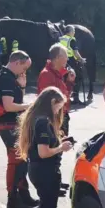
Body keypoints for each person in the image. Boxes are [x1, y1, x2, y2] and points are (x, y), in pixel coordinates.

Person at [16, 87, 74, 208]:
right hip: (45, 170)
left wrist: (60, 143)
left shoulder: (37, 118)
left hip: (40, 170)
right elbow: (43, 152)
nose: (59, 111)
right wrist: (61, 148)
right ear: (51, 103)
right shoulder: (42, 122)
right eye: (58, 107)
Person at [0, 50, 37, 208]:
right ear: (17, 62)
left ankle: (23, 195)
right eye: (24, 68)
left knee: (22, 160)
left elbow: (17, 100)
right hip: (8, 125)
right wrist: (30, 106)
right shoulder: (5, 78)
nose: (24, 72)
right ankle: (13, 200)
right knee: (17, 161)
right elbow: (9, 106)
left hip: (13, 123)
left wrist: (23, 86)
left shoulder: (11, 77)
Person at [37, 43, 75, 195]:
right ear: (58, 58)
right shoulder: (47, 75)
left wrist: (70, 82)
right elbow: (47, 100)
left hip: (61, 115)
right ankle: (52, 182)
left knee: (59, 148)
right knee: (54, 148)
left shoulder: (58, 74)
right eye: (65, 56)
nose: (67, 59)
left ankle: (56, 180)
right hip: (54, 117)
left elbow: (64, 95)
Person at [59, 25, 86, 105]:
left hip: (61, 61)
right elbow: (75, 52)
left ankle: (63, 97)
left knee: (64, 79)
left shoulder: (61, 38)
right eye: (73, 31)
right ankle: (75, 97)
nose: (74, 32)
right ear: (70, 32)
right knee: (78, 77)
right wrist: (81, 59)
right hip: (70, 61)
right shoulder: (71, 40)